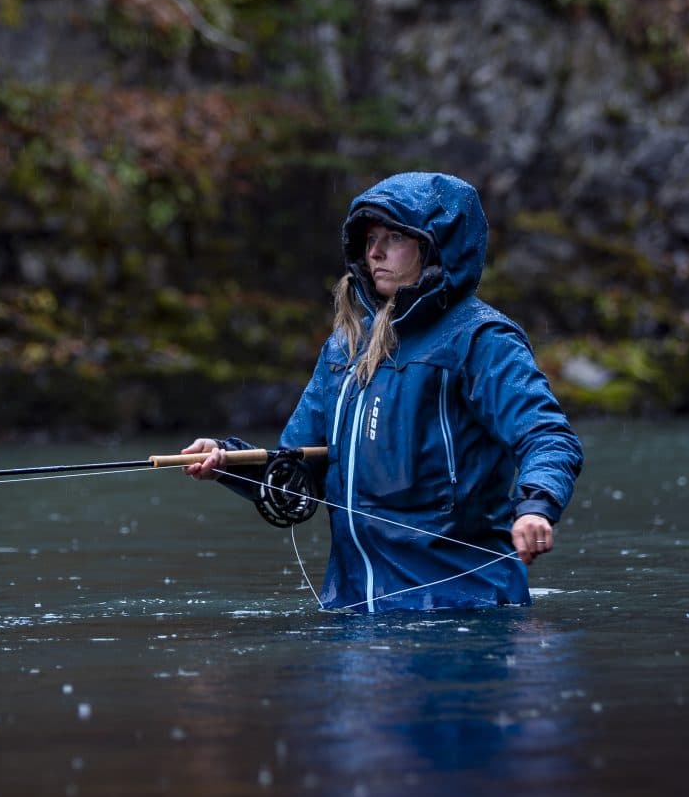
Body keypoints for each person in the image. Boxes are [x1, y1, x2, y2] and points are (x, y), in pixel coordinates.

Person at [179, 171, 582, 613]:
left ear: (435, 246)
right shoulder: (343, 348)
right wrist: (226, 462)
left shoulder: (482, 339)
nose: (375, 252)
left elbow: (547, 437)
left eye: (394, 237)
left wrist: (536, 507)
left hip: (463, 610)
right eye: (370, 238)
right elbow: (297, 476)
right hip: (354, 613)